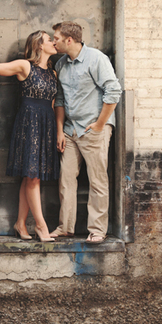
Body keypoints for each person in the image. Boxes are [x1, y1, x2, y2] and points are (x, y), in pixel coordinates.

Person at [0, 30, 59, 242]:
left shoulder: (53, 73)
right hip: (29, 125)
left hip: (46, 125)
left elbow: (53, 104)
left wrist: (56, 131)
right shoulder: (25, 66)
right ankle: (41, 226)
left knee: (30, 177)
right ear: (39, 45)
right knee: (33, 177)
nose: (54, 43)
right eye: (50, 40)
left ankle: (20, 223)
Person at [50, 21, 121, 244]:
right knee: (66, 179)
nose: (53, 42)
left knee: (97, 181)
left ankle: (98, 230)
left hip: (93, 129)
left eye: (56, 38)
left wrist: (100, 124)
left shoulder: (96, 59)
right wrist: (60, 131)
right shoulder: (61, 64)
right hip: (70, 130)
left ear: (69, 40)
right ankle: (65, 227)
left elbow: (113, 91)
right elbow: (60, 99)